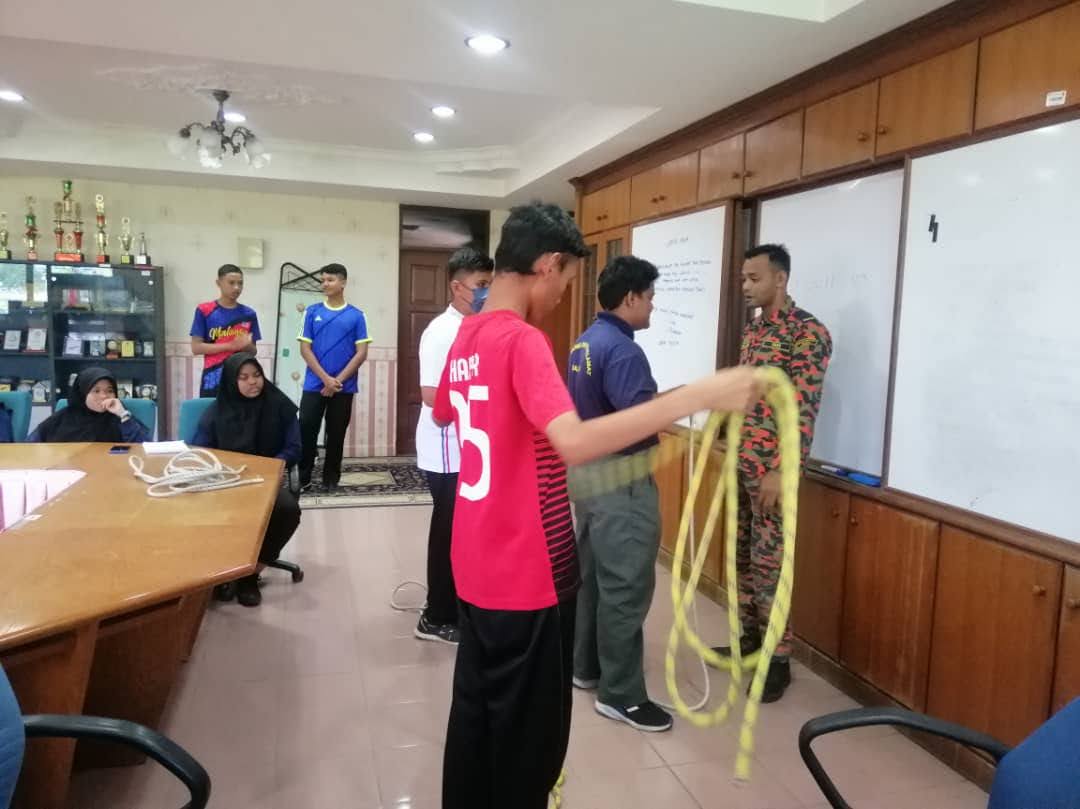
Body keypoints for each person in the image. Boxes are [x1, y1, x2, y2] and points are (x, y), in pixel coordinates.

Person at [433, 202, 763, 809]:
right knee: (527, 747)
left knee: (476, 718)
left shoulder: (468, 334)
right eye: (565, 278)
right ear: (548, 264)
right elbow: (576, 441)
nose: (564, 293)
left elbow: (444, 413)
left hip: (475, 566)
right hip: (527, 575)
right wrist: (697, 395)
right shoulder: (522, 339)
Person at [710, 244, 832, 703]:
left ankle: (777, 658)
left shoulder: (808, 333)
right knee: (741, 557)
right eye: (743, 278)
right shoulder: (754, 331)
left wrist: (781, 470)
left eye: (754, 278)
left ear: (780, 279)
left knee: (771, 566)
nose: (745, 286)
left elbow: (802, 409)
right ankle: (750, 641)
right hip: (742, 464)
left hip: (773, 475)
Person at [566, 255, 671, 732]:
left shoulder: (585, 342)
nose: (652, 306)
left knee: (593, 575)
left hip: (588, 476)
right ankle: (622, 696)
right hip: (621, 482)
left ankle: (585, 667)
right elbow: (636, 422)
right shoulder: (625, 351)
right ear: (630, 298)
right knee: (625, 584)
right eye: (649, 297)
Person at [414, 246, 494, 645]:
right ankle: (435, 616)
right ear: (456, 287)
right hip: (445, 446)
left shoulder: (477, 327)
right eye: (481, 285)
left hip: (470, 446)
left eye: (490, 284)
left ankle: (459, 605)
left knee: (464, 534)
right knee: (446, 532)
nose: (486, 292)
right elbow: (431, 395)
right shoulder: (441, 332)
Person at [191, 353, 302, 607]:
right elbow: (199, 451)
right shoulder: (216, 411)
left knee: (287, 510)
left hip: (265, 481)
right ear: (232, 381)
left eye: (257, 375)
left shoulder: (280, 406)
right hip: (225, 482)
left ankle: (250, 574)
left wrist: (272, 466)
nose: (253, 381)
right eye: (243, 377)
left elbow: (294, 448)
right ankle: (219, 571)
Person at [297, 263, 372, 492]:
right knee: (306, 430)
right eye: (323, 280)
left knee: (336, 435)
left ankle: (331, 480)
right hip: (314, 385)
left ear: (343, 283)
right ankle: (303, 478)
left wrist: (336, 381)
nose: (324, 284)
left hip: (343, 387)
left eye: (330, 280)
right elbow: (305, 349)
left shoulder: (357, 316)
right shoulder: (312, 312)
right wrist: (325, 380)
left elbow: (361, 353)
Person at [189, 263, 263, 397]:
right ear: (219, 283)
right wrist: (230, 346)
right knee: (212, 410)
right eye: (231, 283)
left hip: (241, 380)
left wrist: (247, 345)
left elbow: (253, 351)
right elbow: (196, 348)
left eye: (240, 283)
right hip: (213, 378)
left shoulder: (249, 314)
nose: (237, 287)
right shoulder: (204, 310)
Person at [29, 368, 150, 443]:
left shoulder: (120, 418)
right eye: (96, 391)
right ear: (83, 394)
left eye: (109, 390)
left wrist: (123, 415)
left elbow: (146, 448)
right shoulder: (61, 419)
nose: (104, 396)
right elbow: (30, 447)